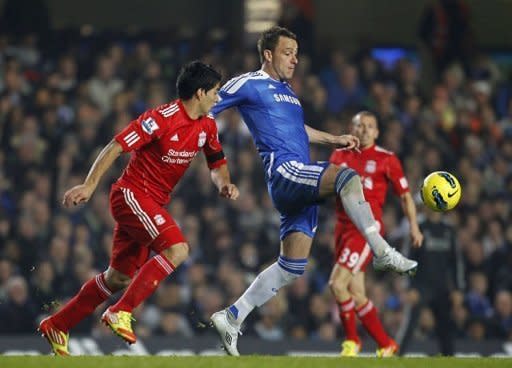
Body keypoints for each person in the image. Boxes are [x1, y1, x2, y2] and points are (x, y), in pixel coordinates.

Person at [209, 26, 418, 356]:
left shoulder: (288, 92)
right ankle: (381, 250)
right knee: (346, 176)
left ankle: (232, 316)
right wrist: (200, 145)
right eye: (287, 52)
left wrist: (333, 139)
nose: (295, 58)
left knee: (292, 266)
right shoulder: (249, 83)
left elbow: (298, 130)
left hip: (299, 181)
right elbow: (208, 105)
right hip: (285, 172)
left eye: (296, 53)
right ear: (268, 54)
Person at [37, 61, 239, 356]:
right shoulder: (161, 118)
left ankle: (58, 324)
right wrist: (89, 185)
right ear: (199, 92)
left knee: (117, 278)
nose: (218, 98)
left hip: (150, 203)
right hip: (131, 195)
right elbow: (116, 146)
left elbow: (217, 162)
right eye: (215, 92)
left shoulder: (207, 126)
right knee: (178, 249)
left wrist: (224, 183)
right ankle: (120, 312)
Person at [328, 111, 424, 357]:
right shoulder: (339, 155)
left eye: (370, 126)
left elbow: (404, 195)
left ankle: (351, 341)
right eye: (360, 126)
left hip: (365, 230)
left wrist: (413, 226)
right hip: (342, 227)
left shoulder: (387, 159)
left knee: (337, 284)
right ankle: (386, 344)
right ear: (352, 127)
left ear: (377, 132)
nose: (364, 130)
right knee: (357, 293)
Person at [396, 209, 463, 356]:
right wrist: (410, 287)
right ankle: (396, 355)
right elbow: (407, 259)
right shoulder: (418, 228)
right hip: (420, 286)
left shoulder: (449, 230)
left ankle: (449, 360)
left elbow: (456, 262)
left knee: (446, 327)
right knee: (409, 324)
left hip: (443, 287)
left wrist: (457, 289)